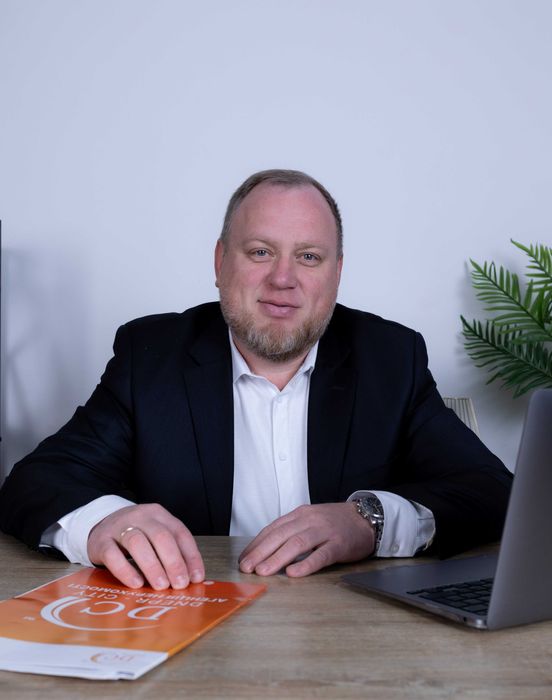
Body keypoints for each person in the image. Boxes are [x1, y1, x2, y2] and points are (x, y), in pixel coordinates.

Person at [0, 169, 513, 591]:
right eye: (261, 252)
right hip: (192, 625)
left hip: (351, 633)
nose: (283, 279)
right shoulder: (151, 356)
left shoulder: (390, 358)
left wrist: (368, 521)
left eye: (308, 257)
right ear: (221, 261)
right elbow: (34, 481)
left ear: (336, 274)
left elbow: (492, 491)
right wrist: (102, 522)